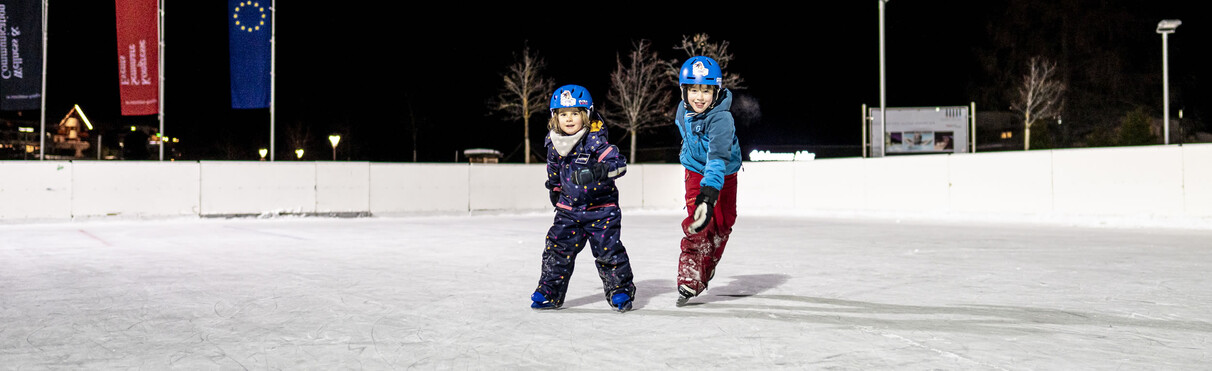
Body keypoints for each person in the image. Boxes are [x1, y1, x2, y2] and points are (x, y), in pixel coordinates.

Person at [530, 84, 636, 312]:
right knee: (556, 249)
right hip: (569, 211)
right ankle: (549, 290)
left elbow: (619, 165)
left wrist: (598, 171)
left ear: (586, 115)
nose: (569, 120)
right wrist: (555, 190)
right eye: (563, 114)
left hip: (602, 210)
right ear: (555, 118)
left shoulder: (595, 141)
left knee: (608, 251)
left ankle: (619, 290)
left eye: (575, 114)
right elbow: (553, 170)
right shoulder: (554, 143)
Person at [673, 56, 742, 306]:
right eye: (693, 90)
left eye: (705, 90)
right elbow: (685, 131)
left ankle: (708, 262)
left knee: (723, 225)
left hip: (723, 172)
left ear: (716, 90)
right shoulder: (682, 110)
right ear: (684, 90)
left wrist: (710, 192)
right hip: (694, 171)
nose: (699, 97)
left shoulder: (722, 119)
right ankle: (691, 276)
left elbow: (717, 158)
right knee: (698, 221)